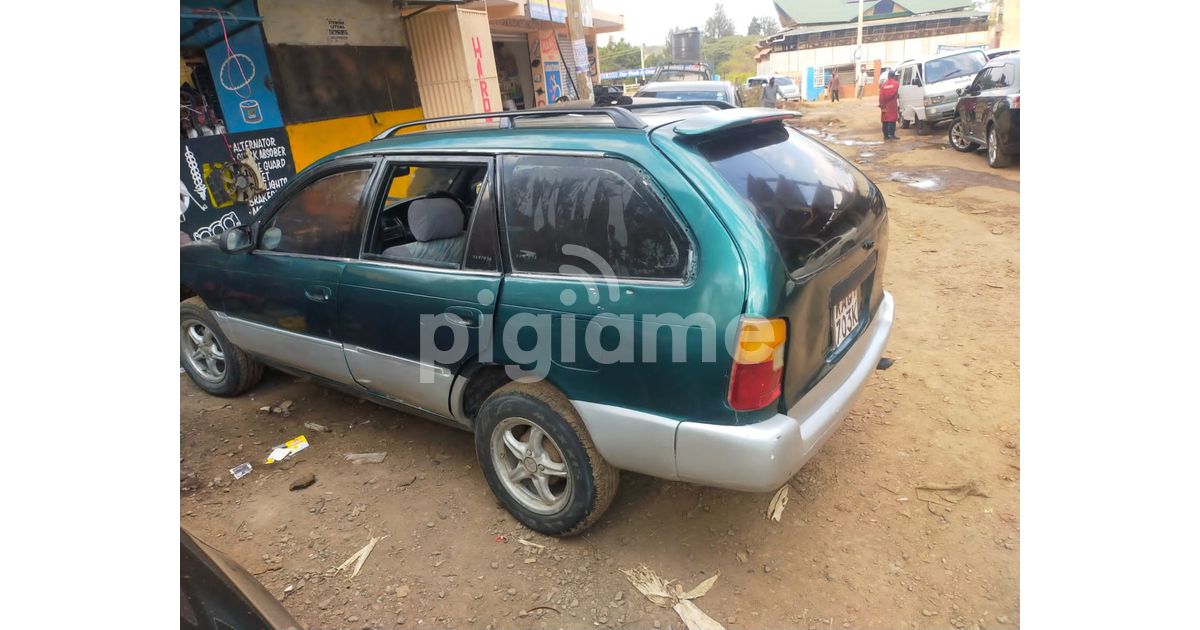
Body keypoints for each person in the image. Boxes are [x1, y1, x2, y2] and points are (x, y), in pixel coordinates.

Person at [877, 70, 900, 140]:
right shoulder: (896, 84)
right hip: (892, 104)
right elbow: (894, 93)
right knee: (892, 120)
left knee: (885, 120)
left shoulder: (883, 85)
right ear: (894, 76)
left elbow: (881, 96)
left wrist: (881, 105)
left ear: (888, 76)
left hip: (884, 104)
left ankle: (886, 136)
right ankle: (892, 135)